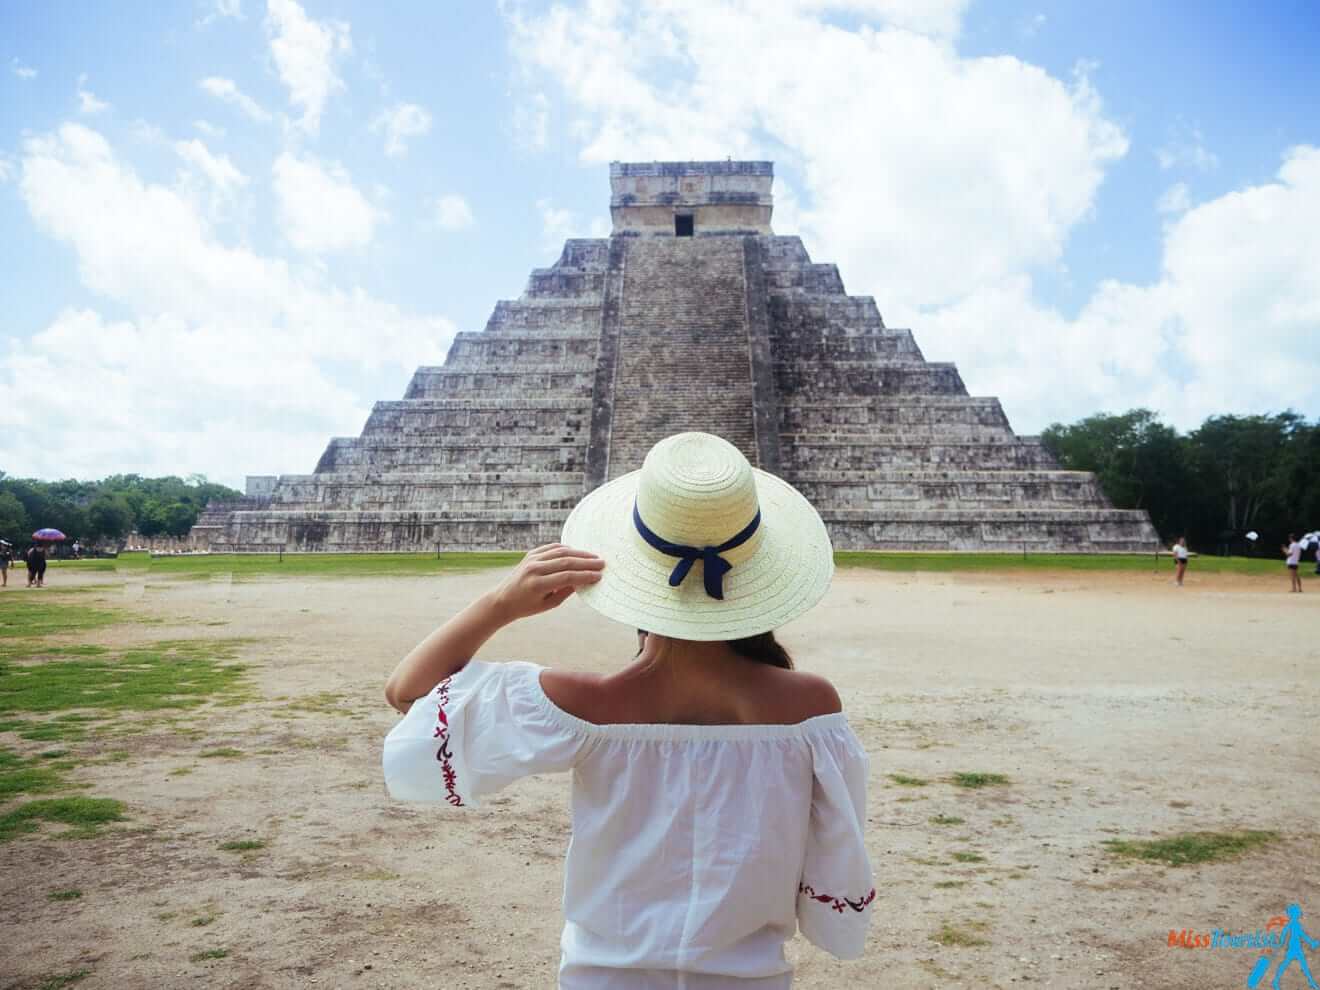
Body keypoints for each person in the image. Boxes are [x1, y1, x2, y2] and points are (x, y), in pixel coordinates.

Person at [383, 432, 873, 989]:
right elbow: (836, 848)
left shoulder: (588, 704)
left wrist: (500, 605)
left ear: (632, 569)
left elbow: (407, 693)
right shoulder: (810, 707)